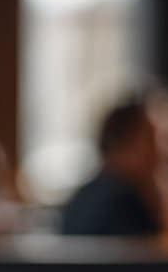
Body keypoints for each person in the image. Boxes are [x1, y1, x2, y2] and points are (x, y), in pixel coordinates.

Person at [60, 100, 161, 236]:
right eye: (150, 141)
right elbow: (157, 251)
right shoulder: (123, 202)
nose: (157, 153)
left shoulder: (83, 196)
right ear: (123, 143)